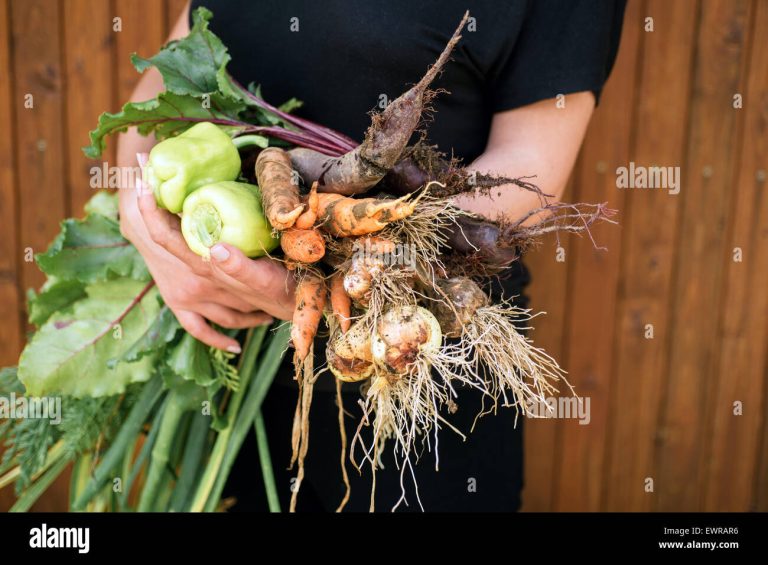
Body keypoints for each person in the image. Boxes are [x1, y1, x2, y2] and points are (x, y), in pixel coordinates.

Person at [118, 0, 626, 511]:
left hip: (422, 349)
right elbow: (160, 91)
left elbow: (532, 172)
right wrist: (144, 229)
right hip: (232, 360)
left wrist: (351, 261)